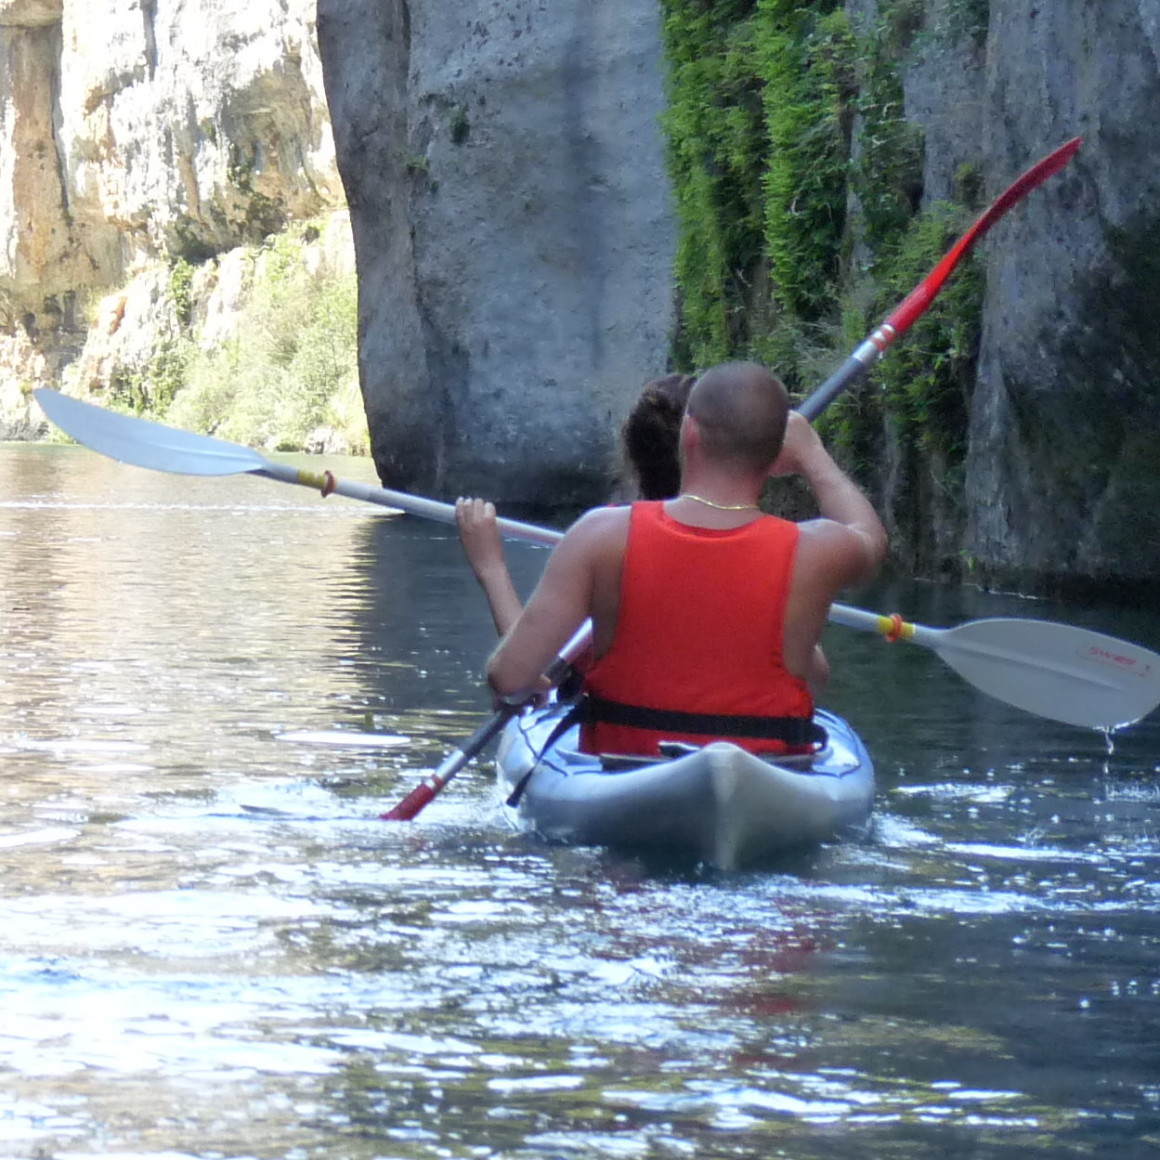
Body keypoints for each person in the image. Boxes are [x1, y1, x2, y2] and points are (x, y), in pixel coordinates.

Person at [483, 361, 888, 757]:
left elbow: (509, 676)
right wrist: (812, 454)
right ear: (778, 450)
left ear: (690, 431)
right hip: (765, 767)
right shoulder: (816, 549)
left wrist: (533, 682)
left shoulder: (600, 534)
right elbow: (870, 539)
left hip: (625, 763)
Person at [455, 373, 696, 637]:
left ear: (632, 452)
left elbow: (525, 673)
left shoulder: (607, 534)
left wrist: (490, 566)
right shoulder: (744, 545)